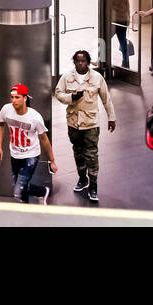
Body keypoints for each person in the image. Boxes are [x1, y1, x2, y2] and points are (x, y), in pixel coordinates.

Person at [53, 49, 116, 203]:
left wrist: (111, 118)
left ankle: (93, 186)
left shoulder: (96, 77)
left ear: (88, 62)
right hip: (73, 123)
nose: (80, 63)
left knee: (92, 155)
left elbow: (106, 99)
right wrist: (71, 97)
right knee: (78, 152)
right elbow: (58, 93)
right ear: (74, 62)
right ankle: (83, 179)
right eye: (78, 61)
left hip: (90, 124)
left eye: (83, 61)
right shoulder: (67, 77)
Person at [0, 83, 57, 203]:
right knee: (20, 186)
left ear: (25, 98)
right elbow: (0, 125)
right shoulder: (6, 110)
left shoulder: (35, 117)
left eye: (17, 97)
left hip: (31, 156)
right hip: (15, 154)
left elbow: (44, 139)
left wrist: (52, 161)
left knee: (18, 191)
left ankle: (26, 207)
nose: (13, 101)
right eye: (12, 97)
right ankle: (42, 192)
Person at [110, 0, 132, 69]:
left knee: (104, 40)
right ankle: (125, 63)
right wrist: (128, 19)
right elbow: (128, 6)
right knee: (123, 42)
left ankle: (101, 60)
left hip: (114, 22)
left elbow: (109, 9)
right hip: (123, 21)